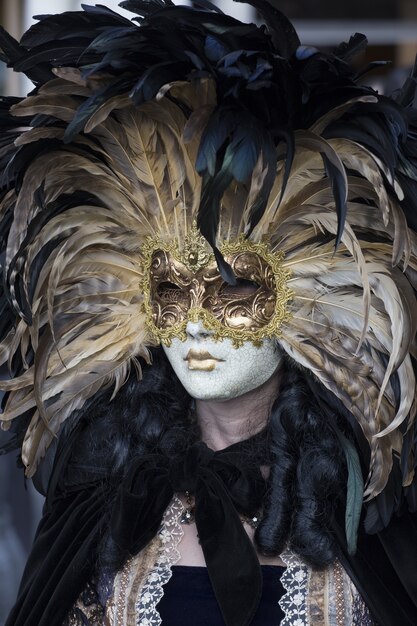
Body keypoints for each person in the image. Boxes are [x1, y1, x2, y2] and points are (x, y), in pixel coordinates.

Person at [0, 1, 417, 624]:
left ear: (306, 303)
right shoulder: (106, 505)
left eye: (233, 289)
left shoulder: (371, 515)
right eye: (171, 289)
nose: (196, 321)